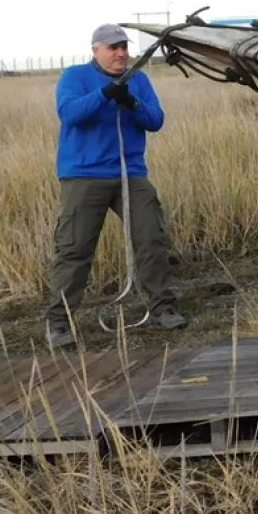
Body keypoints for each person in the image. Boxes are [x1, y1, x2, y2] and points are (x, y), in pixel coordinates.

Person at [44, 24, 188, 348]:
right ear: (95, 50)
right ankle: (59, 324)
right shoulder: (75, 76)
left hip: (130, 173)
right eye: (112, 47)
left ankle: (164, 309)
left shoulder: (139, 79)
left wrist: (131, 103)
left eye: (124, 46)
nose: (121, 53)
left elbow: (156, 120)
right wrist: (106, 94)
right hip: (84, 173)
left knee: (151, 236)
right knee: (75, 247)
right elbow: (69, 113)